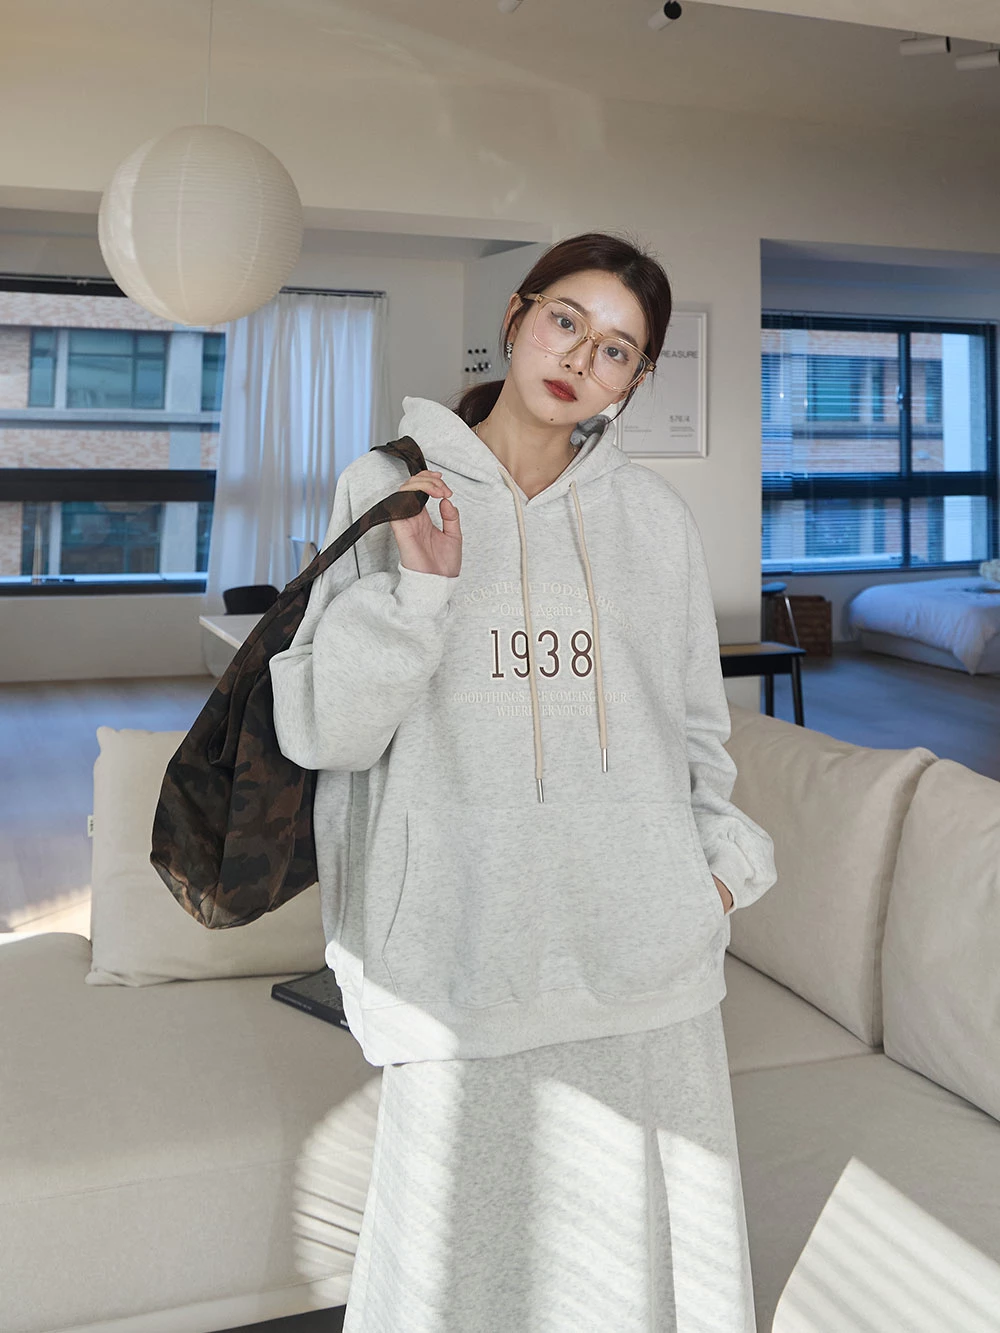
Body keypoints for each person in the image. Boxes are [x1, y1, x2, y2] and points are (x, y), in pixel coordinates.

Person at [269, 230, 778, 1332]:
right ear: (516, 316)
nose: (579, 359)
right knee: (455, 1276)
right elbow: (321, 728)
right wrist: (418, 599)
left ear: (633, 381)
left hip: (645, 958)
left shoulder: (655, 522)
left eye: (615, 350)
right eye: (566, 321)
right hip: (458, 951)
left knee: (647, 1273)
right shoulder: (390, 487)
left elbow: (698, 730)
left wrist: (711, 881)